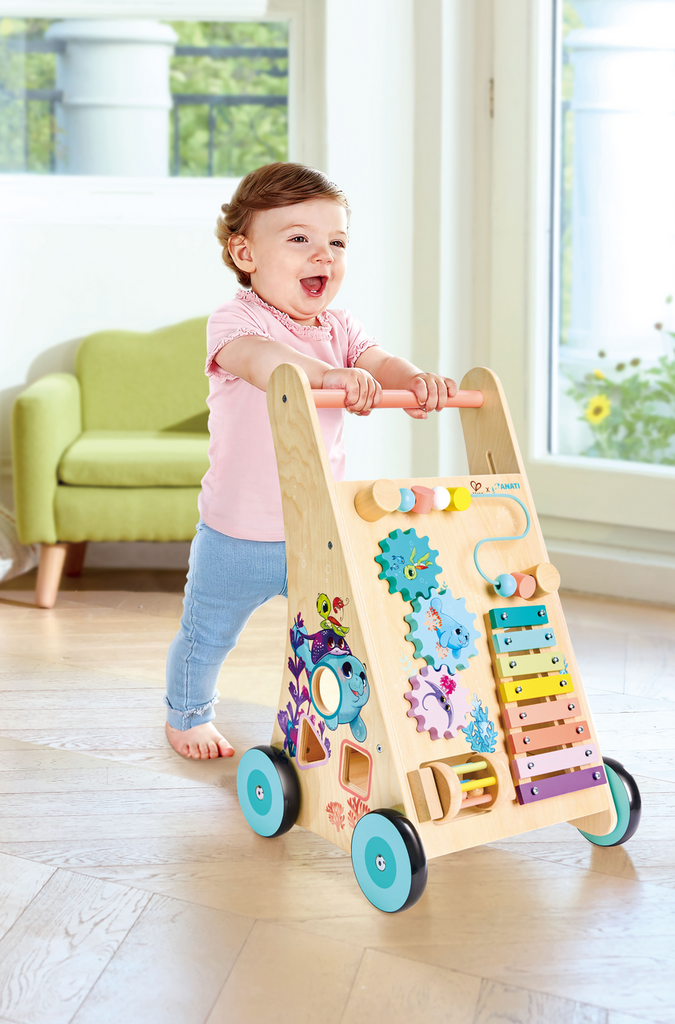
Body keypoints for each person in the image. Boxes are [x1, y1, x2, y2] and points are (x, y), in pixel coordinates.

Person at [165, 162, 457, 759]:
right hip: (236, 534)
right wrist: (328, 376)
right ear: (244, 253)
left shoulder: (340, 328)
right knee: (208, 633)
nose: (323, 254)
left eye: (337, 242)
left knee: (334, 636)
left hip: (318, 528)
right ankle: (187, 716)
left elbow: (380, 362)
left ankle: (332, 719)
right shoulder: (237, 320)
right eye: (299, 238)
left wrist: (413, 381)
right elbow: (264, 362)